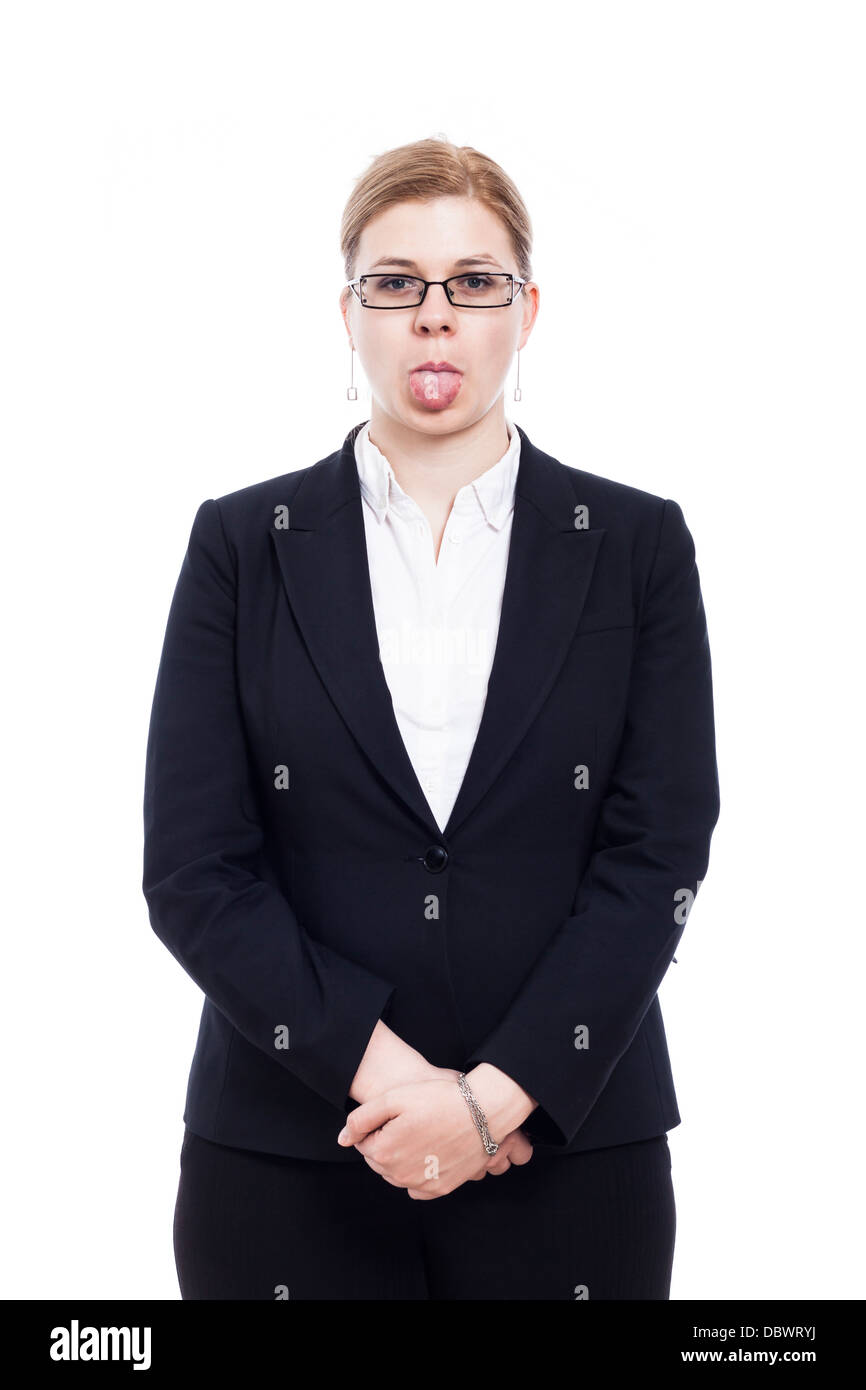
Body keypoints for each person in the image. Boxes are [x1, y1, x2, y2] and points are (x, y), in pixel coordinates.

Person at [143, 136, 721, 1300]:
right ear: (347, 310)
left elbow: (655, 847)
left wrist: (490, 1099)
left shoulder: (636, 546)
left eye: (474, 282)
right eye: (395, 283)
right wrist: (398, 1086)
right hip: (288, 1154)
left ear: (526, 309)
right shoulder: (239, 547)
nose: (434, 315)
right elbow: (195, 868)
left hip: (564, 1146)